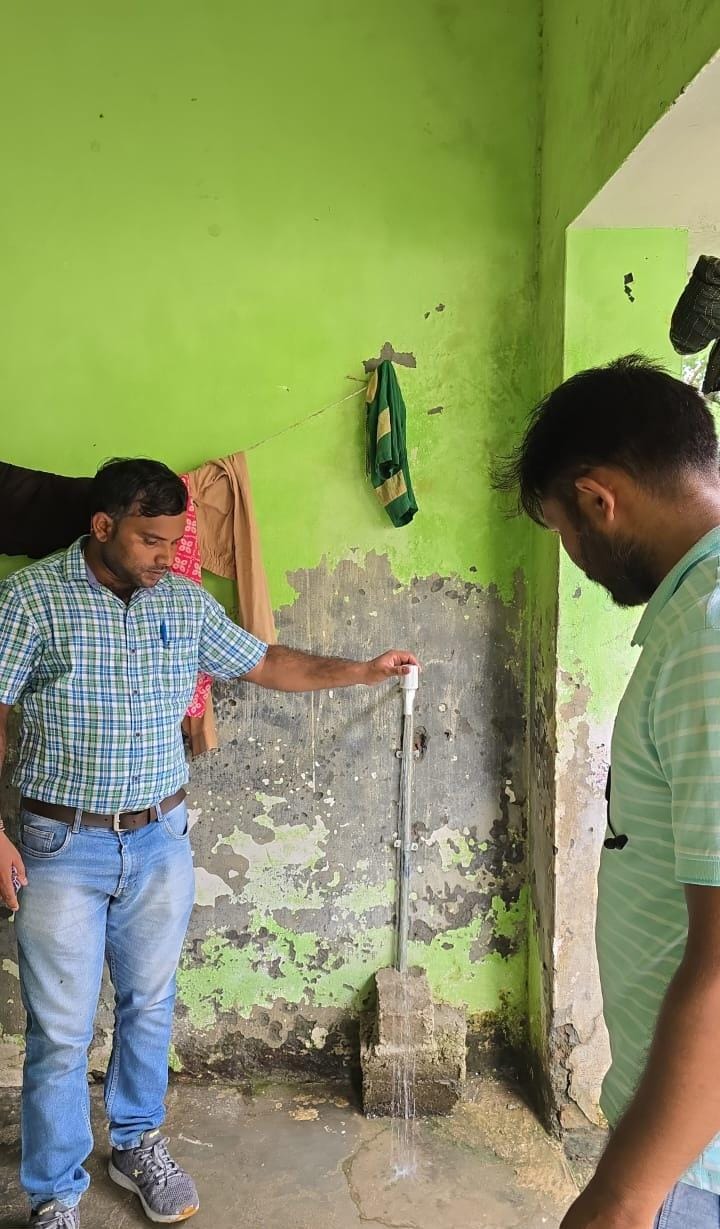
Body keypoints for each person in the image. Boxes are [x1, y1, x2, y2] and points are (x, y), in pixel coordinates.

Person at [0, 458, 418, 1229]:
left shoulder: (184, 604)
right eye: (151, 540)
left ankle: (136, 1143)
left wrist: (363, 670)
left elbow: (267, 662)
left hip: (160, 840)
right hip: (62, 844)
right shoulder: (29, 598)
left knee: (150, 1004)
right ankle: (56, 1193)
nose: (169, 556)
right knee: (59, 1032)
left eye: (175, 540)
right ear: (103, 526)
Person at [495, 355, 720, 1229]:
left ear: (598, 499)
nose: (574, 555)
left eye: (563, 527)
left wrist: (623, 1198)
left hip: (695, 1162)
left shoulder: (708, 641)